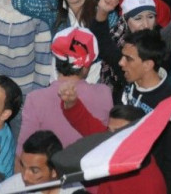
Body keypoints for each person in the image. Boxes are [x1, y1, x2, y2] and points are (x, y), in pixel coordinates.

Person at [16, 27, 111, 156]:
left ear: (56, 61)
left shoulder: (35, 99)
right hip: (89, 172)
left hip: (48, 174)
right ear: (86, 65)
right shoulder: (104, 94)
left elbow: (22, 153)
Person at [119, 30, 171, 193]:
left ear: (148, 65)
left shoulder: (170, 103)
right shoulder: (127, 83)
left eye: (128, 59)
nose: (121, 63)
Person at [0, 130, 82, 194]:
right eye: (23, 166)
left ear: (54, 171)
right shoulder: (8, 190)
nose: (25, 177)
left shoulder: (75, 191)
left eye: (34, 171)